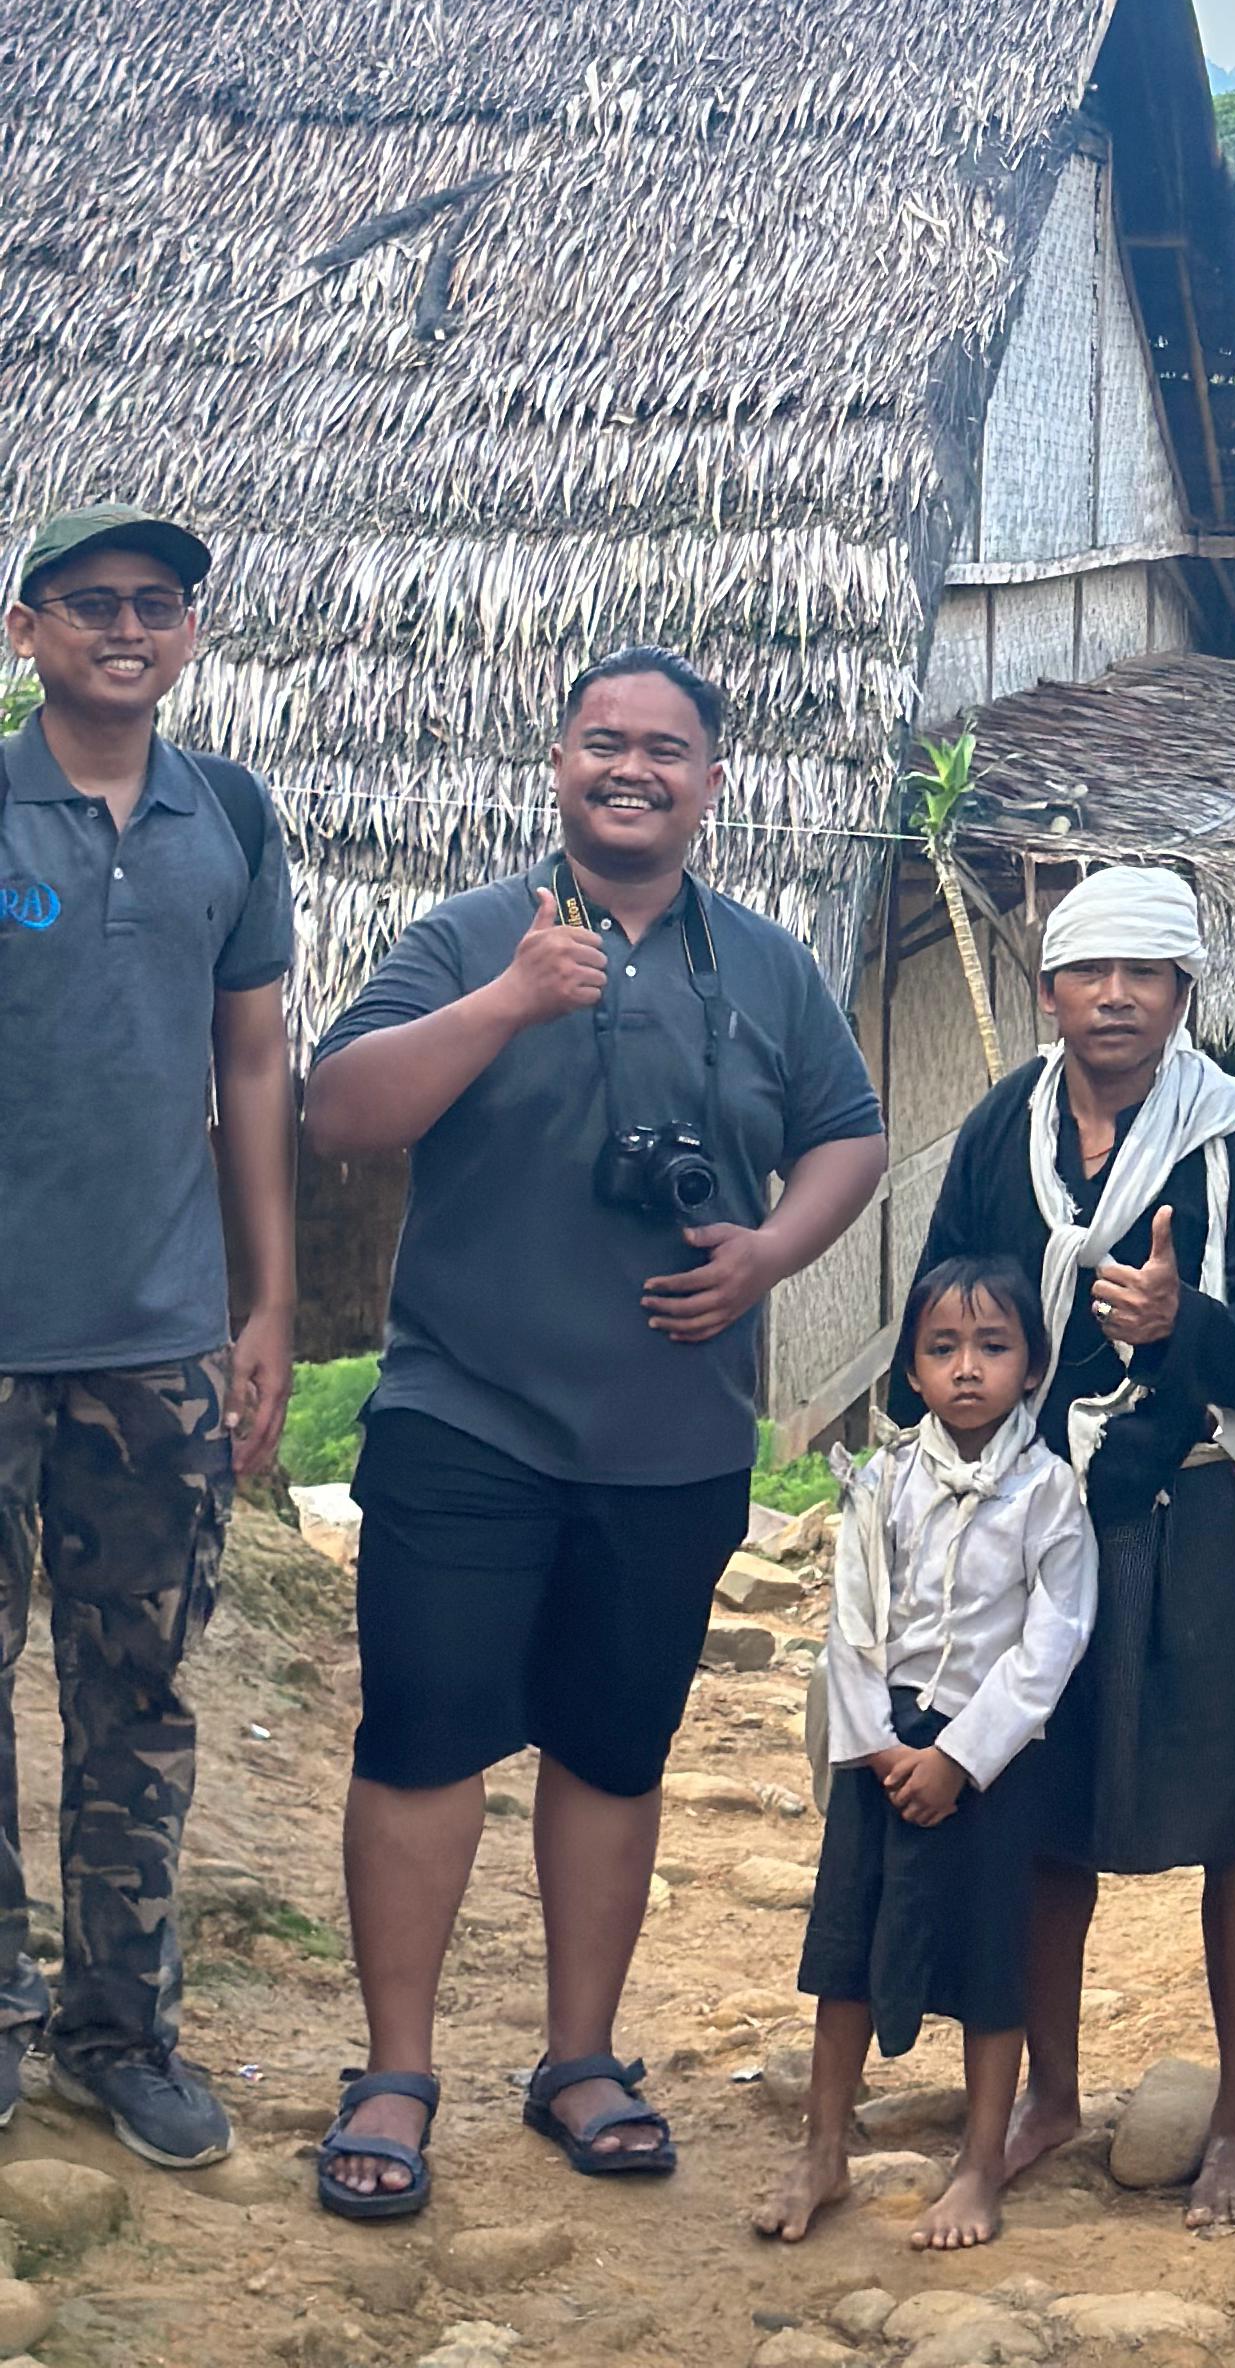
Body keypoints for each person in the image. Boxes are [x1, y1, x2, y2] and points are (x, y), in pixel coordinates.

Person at [301, 645, 886, 2220]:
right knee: (424, 1738)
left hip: (676, 1434)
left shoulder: (766, 965)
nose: (633, 769)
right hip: (466, 1415)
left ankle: (579, 2058)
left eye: (668, 749)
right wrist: (503, 1005)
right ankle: (397, 2071)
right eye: (603, 743)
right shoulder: (471, 934)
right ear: (557, 762)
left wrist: (770, 1252)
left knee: (614, 1750)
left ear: (714, 782)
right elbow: (339, 1111)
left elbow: (850, 1133)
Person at [907, 862, 1235, 2231]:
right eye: (1093, 972)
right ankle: (1049, 2095)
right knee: (1037, 1818)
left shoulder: (1232, 1138)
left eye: (1149, 973)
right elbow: (942, 1308)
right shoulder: (997, 1134)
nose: (1119, 996)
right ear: (1050, 992)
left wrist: (1176, 1322)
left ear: (1186, 994)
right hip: (1034, 1514)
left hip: (1184, 1501)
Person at [0, 505, 296, 2171]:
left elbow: (249, 1069)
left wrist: (266, 1307)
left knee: (137, 1691)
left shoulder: (227, 817)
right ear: (26, 625)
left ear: (191, 630)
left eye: (159, 604)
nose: (129, 626)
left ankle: (122, 2029)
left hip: (158, 1343)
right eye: (95, 603)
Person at [754, 1252, 1096, 2257]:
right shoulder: (883, 1481)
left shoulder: (1049, 1494)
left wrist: (961, 1756)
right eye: (942, 1348)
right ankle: (824, 2146)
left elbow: (1054, 1638)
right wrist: (878, 1747)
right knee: (846, 1951)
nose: (967, 1370)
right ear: (910, 1368)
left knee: (992, 1962)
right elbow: (852, 1622)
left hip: (993, 1761)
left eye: (993, 1347)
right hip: (883, 1753)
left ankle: (982, 2161)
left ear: (1033, 1366)